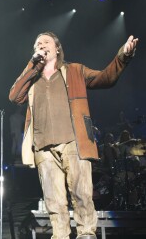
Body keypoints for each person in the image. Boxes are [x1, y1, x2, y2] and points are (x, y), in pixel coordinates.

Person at [9, 31, 138, 239]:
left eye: (46, 42)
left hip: (74, 142)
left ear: (57, 48)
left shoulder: (75, 70)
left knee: (82, 196)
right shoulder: (33, 78)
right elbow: (15, 96)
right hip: (43, 148)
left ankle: (86, 234)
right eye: (37, 43)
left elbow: (106, 78)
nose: (41, 45)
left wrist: (122, 56)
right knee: (54, 201)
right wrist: (32, 66)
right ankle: (60, 236)